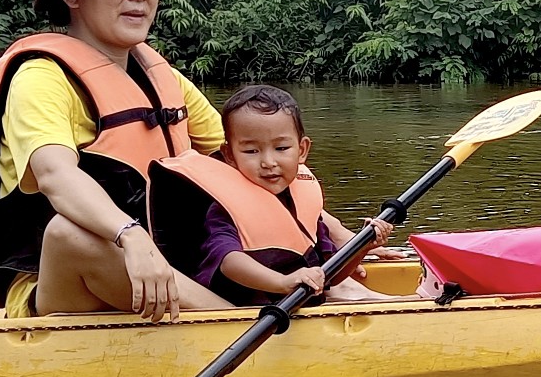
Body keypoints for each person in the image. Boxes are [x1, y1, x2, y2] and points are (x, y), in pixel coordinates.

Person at [0, 0, 231, 320]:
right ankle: (232, 325)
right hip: (63, 285)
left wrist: (329, 232)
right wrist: (130, 236)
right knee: (69, 235)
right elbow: (56, 176)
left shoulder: (156, 74)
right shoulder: (41, 78)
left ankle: (250, 309)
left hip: (164, 268)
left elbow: (244, 158)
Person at [146, 85, 395, 307]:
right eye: (251, 151)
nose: (268, 162)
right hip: (249, 314)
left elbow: (331, 276)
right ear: (230, 155)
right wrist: (283, 282)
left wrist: (360, 248)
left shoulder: (302, 202)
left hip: (297, 307)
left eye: (281, 148)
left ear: (302, 150)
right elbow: (228, 262)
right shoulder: (223, 208)